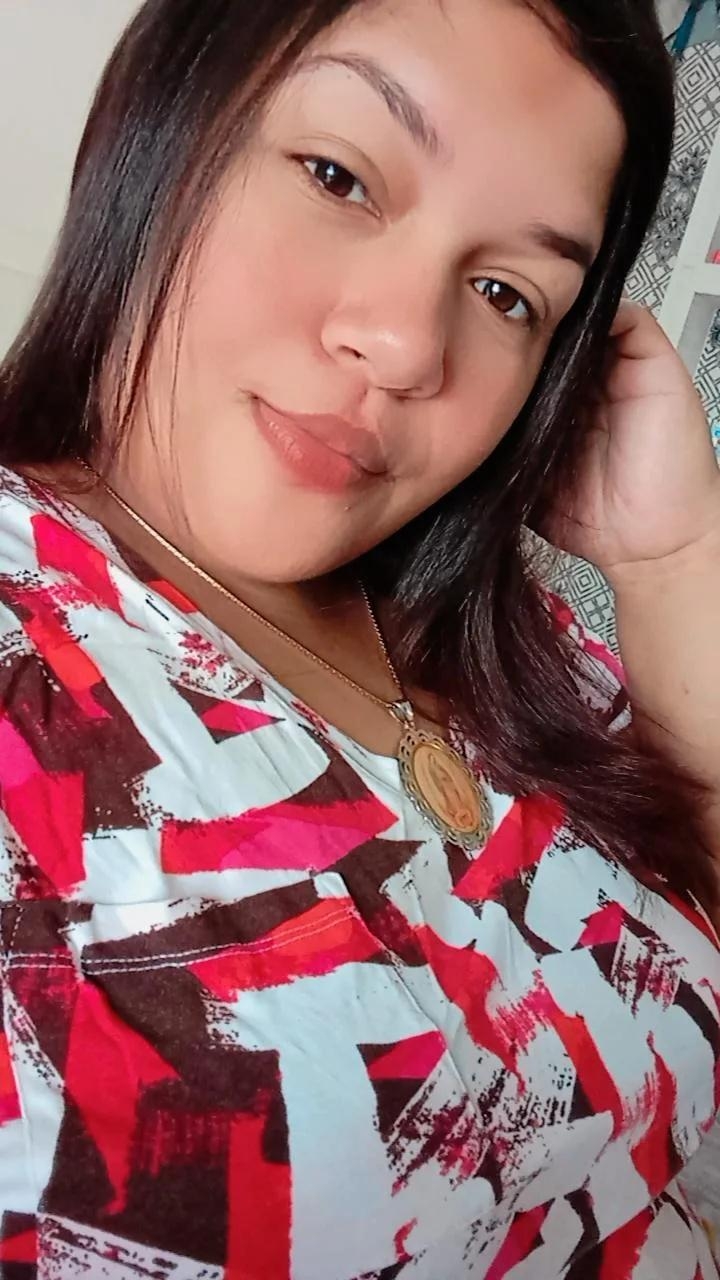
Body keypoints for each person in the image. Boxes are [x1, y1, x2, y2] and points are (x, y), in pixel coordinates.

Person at [0, 0, 719, 1274]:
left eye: (506, 292)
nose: (404, 345)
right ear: (160, 133)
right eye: (338, 176)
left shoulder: (515, 640)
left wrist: (671, 561)